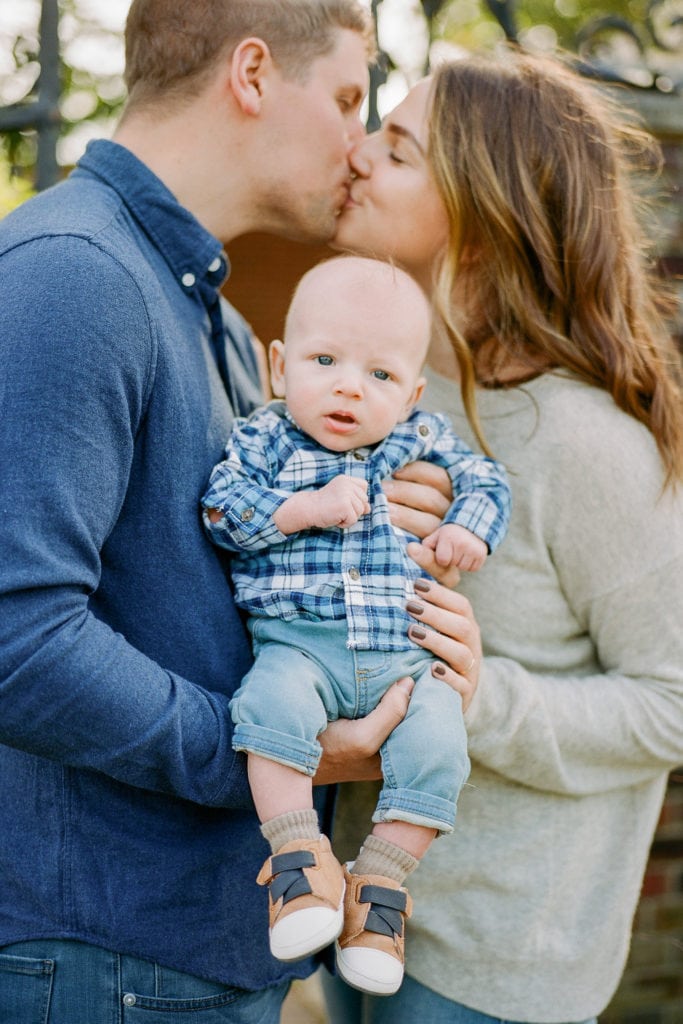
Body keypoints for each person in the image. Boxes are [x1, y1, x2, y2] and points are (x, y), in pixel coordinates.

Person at [0, 3, 422, 1021]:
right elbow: (18, 638)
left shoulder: (214, 315)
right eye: (346, 100)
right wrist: (268, 752)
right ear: (249, 73)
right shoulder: (74, 276)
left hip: (188, 951)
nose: (359, 148)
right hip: (103, 954)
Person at [321, 50, 683, 1024]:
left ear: (479, 216)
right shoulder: (375, 399)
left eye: (394, 149)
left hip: (489, 975)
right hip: (350, 927)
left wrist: (484, 698)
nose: (353, 155)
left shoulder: (587, 447)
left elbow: (669, 702)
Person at [201, 255, 511, 995]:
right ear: (279, 366)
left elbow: (486, 478)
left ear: (410, 394)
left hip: (401, 658)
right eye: (324, 360)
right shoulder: (266, 440)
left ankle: (378, 889)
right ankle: (299, 862)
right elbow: (220, 509)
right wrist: (298, 511)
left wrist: (467, 529)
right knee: (266, 712)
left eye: (378, 376)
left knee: (440, 744)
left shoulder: (420, 440)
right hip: (298, 648)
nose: (347, 385)